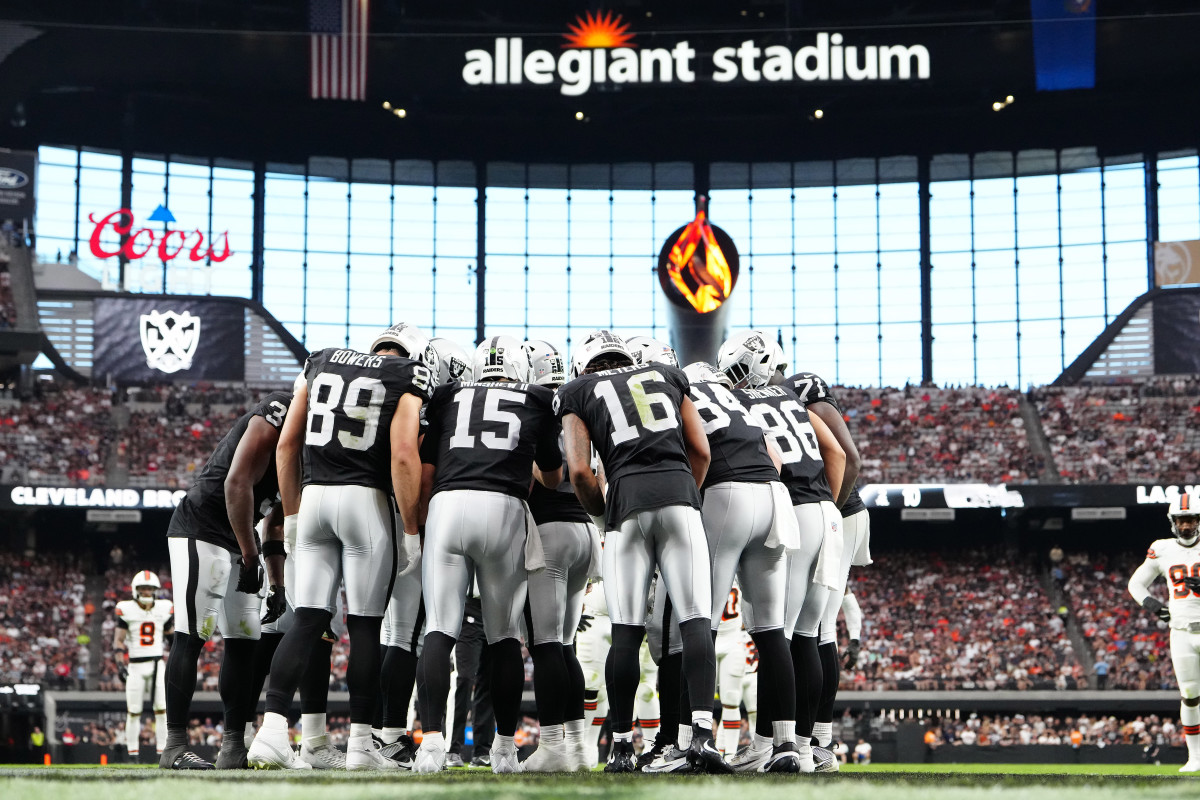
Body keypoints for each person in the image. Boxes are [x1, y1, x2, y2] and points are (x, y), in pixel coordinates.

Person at [248, 324, 432, 771]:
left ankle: (271, 732)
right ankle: (360, 746)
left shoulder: (323, 360)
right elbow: (405, 453)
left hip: (312, 498)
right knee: (366, 627)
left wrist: (291, 515)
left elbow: (288, 443)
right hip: (364, 500)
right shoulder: (408, 374)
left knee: (307, 620)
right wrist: (410, 529)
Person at [556, 330, 726, 774]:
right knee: (694, 620)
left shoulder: (576, 390)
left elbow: (578, 472)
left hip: (625, 502)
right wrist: (683, 493)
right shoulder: (668, 374)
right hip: (679, 493)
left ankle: (622, 748)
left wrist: (601, 516)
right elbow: (701, 451)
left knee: (627, 632)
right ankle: (702, 739)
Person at [413, 335, 563, 774]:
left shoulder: (446, 395)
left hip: (448, 504)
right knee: (504, 639)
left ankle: (432, 744)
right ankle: (502, 748)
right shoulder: (536, 396)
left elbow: (426, 467)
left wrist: (417, 527)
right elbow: (553, 477)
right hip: (504, 506)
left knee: (440, 630)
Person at [717, 332, 845, 773]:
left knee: (778, 636)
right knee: (807, 634)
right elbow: (838, 454)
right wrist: (829, 499)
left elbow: (770, 460)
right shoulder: (793, 397)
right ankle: (808, 748)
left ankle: (771, 745)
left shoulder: (743, 404)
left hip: (792, 510)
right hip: (827, 510)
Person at [160, 389, 293, 771]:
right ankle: (174, 745)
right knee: (192, 633)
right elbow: (237, 484)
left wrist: (279, 582)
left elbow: (277, 518)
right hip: (203, 527)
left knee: (246, 638)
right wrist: (251, 557)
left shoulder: (308, 441)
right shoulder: (278, 413)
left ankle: (234, 744)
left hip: (241, 536)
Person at [777, 361, 872, 772]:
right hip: (832, 511)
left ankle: (820, 741)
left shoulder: (801, 387)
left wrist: (827, 508)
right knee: (815, 627)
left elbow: (848, 457)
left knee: (819, 627)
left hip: (836, 511)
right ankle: (815, 740)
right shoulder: (782, 392)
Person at [519, 339, 598, 772]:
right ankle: (578, 750)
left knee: (547, 646)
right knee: (565, 646)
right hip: (586, 528)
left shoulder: (530, 404)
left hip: (550, 530)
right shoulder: (580, 399)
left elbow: (538, 477)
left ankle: (552, 748)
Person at [1127, 492, 1200, 773]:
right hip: (1180, 631)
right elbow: (1136, 584)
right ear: (1173, 522)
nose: (1185, 526)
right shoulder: (1162, 549)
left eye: (1191, 519)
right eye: (1181, 520)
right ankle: (1195, 758)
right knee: (1190, 695)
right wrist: (1155, 605)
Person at [113, 570, 173, 762]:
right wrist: (120, 665)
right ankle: (133, 755)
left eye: (150, 588)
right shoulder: (126, 609)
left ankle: (161, 753)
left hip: (157, 663)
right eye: (143, 588)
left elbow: (172, 638)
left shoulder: (164, 608)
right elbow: (119, 641)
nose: (147, 592)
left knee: (162, 710)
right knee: (133, 711)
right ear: (135, 589)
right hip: (136, 666)